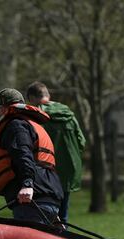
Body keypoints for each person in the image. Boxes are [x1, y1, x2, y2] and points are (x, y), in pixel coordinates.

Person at [0, 88, 63, 224]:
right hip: (47, 196)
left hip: (33, 199)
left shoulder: (15, 126)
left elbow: (23, 153)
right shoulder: (31, 124)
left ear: (4, 109)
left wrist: (27, 183)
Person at [26, 81, 86, 224]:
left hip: (45, 172)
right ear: (48, 95)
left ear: (32, 98)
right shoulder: (68, 114)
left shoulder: (37, 115)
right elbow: (81, 142)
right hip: (68, 170)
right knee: (62, 217)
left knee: (40, 216)